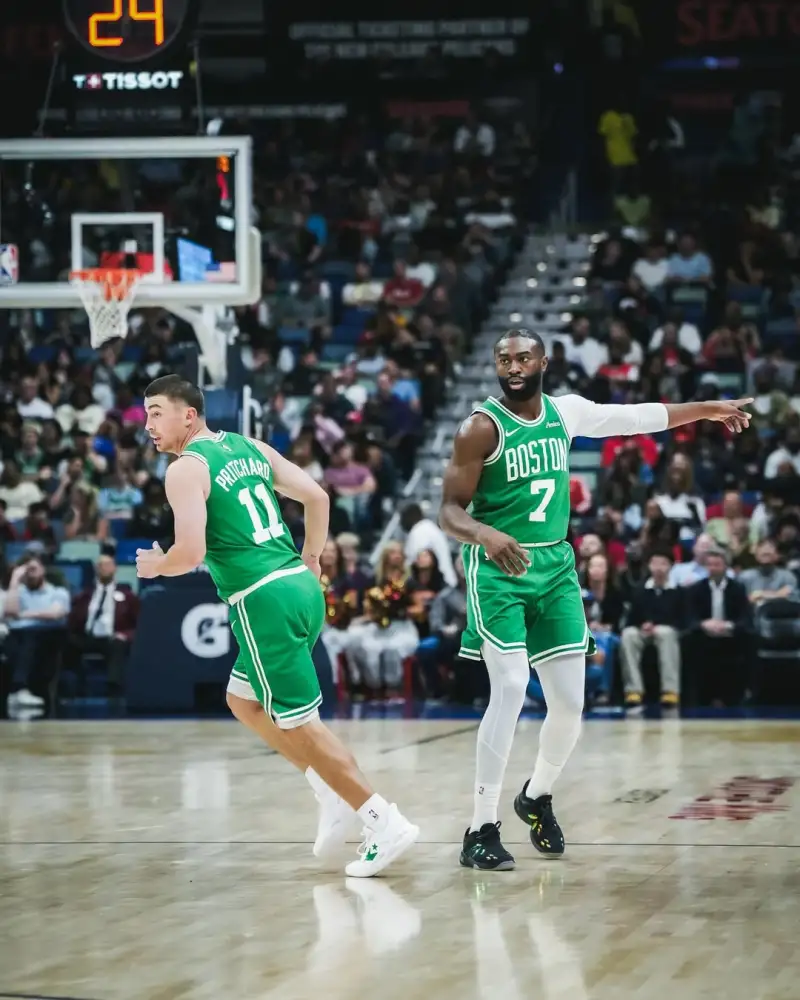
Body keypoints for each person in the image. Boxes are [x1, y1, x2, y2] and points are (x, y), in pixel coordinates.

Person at [438, 329, 752, 870]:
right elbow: (449, 510)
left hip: (555, 569)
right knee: (511, 687)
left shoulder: (567, 413)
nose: (513, 366)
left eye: (523, 357)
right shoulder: (479, 429)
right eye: (503, 359)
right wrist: (485, 535)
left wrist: (706, 410)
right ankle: (480, 827)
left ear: (544, 360)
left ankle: (535, 796)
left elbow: (640, 417)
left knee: (570, 708)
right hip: (498, 571)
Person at [136, 375, 418, 878]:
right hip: (302, 589)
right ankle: (326, 786)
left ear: (190, 415)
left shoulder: (185, 470)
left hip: (262, 599)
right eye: (146, 413)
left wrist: (157, 566)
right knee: (242, 699)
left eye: (157, 411)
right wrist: (312, 559)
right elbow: (318, 498)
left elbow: (192, 553)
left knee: (302, 726)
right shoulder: (249, 447)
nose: (148, 423)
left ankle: (382, 820)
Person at [620, 549, 684, 709]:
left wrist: (656, 624)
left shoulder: (678, 591)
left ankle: (670, 691)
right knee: (628, 635)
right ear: (649, 566)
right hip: (643, 630)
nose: (659, 568)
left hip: (667, 630)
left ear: (671, 566)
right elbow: (631, 618)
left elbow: (682, 619)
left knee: (665, 633)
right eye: (655, 563)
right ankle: (633, 690)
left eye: (663, 564)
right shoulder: (641, 590)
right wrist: (642, 624)